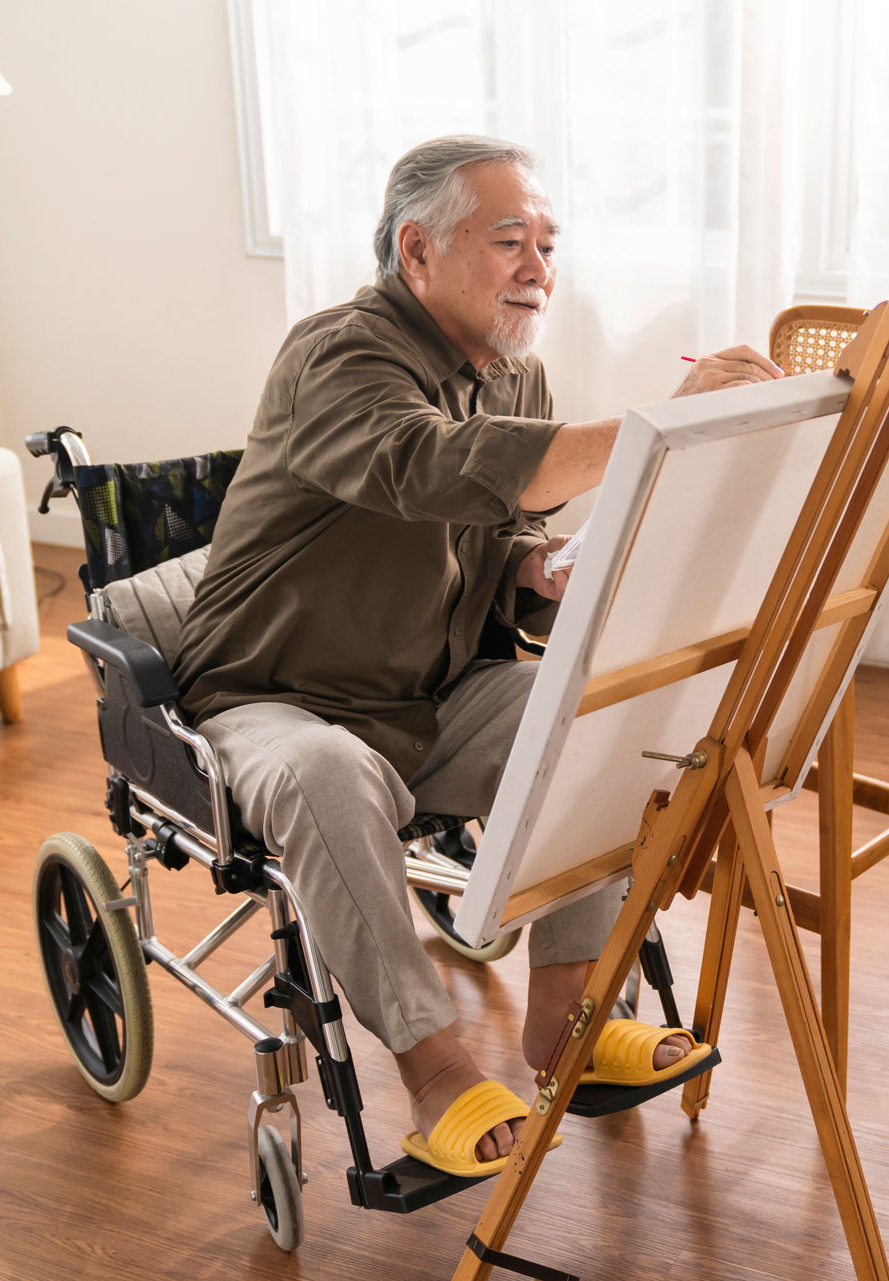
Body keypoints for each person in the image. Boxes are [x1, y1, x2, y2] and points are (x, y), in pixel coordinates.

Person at [173, 135, 783, 1174]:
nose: (540, 270)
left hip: (427, 697)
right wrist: (656, 425)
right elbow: (427, 468)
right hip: (274, 698)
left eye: (547, 244)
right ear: (418, 252)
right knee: (324, 773)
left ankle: (566, 1016)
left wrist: (535, 567)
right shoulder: (339, 353)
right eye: (511, 242)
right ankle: (436, 1068)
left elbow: (486, 524)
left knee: (605, 713)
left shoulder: (516, 375)